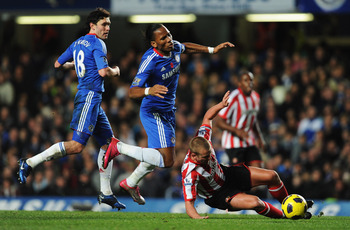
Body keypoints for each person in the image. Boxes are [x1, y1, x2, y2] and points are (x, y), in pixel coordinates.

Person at [103, 23, 235, 205]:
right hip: (153, 111)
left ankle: (131, 182)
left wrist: (212, 50)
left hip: (168, 111)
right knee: (166, 161)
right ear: (154, 44)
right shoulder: (150, 60)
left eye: (169, 35)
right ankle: (118, 147)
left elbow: (186, 47)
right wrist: (149, 90)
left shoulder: (173, 48)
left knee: (157, 156)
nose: (169, 39)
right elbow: (132, 92)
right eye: (163, 38)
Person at [17, 8, 125, 210]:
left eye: (109, 24)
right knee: (77, 146)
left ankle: (106, 193)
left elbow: (58, 64)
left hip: (92, 98)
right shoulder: (98, 43)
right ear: (93, 25)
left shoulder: (77, 43)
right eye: (104, 24)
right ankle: (29, 163)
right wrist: (116, 71)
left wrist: (76, 65)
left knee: (109, 145)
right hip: (89, 96)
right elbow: (103, 72)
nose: (108, 28)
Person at [181, 91, 313, 219]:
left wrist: (221, 105)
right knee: (256, 202)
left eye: (210, 154)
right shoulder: (190, 172)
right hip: (218, 195)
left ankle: (291, 206)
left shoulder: (203, 138)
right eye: (205, 158)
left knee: (272, 176)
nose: (209, 158)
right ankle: (284, 217)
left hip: (228, 174)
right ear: (194, 156)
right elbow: (189, 205)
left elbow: (208, 117)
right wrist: (197, 217)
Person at [216, 70, 265, 167]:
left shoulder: (256, 97)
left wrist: (259, 137)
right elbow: (218, 121)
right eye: (245, 80)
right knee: (240, 177)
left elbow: (252, 119)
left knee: (259, 170)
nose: (249, 83)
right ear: (239, 83)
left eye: (251, 80)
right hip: (233, 143)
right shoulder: (233, 98)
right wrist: (236, 131)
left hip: (249, 141)